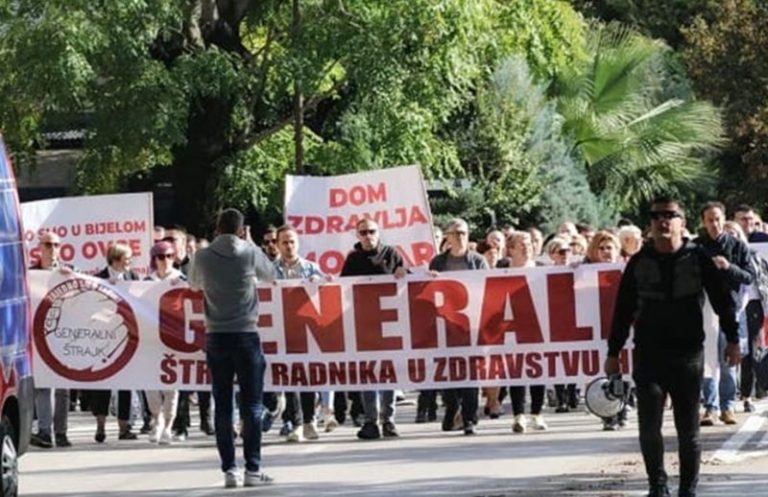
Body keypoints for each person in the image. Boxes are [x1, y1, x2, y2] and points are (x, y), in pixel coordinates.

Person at [605, 196, 740, 497]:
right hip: (648, 354)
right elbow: (623, 311)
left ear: (682, 222)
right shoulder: (639, 262)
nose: (663, 221)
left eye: (670, 215)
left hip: (687, 355)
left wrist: (733, 340)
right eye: (656, 217)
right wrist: (613, 352)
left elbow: (723, 301)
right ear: (650, 224)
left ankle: (687, 490)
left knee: (688, 429)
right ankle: (657, 486)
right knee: (649, 426)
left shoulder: (698, 258)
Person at [189, 208, 275, 488]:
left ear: (217, 228)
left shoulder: (202, 256)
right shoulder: (249, 252)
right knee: (252, 404)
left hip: (216, 335)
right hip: (246, 333)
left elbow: (193, 285)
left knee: (223, 405)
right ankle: (253, 468)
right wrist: (251, 244)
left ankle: (229, 470)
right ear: (241, 230)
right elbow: (271, 274)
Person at [340, 218, 408, 440]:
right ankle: (371, 420)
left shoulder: (392, 254)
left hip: (390, 322)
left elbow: (408, 281)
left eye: (372, 231)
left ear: (378, 232)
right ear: (357, 235)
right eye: (363, 232)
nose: (368, 236)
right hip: (363, 322)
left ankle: (388, 420)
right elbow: (341, 288)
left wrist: (404, 273)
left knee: (389, 372)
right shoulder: (353, 259)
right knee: (368, 373)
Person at [273, 225, 336, 442]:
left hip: (307, 331)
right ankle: (297, 423)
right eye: (284, 242)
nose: (289, 246)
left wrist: (325, 283)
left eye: (292, 241)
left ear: (298, 243)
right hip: (282, 330)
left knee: (307, 376)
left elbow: (327, 294)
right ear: (277, 245)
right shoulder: (270, 271)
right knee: (290, 379)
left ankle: (309, 421)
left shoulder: (311, 268)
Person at [695, 202, 754, 427]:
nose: (714, 224)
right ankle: (710, 407)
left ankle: (728, 405)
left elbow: (748, 276)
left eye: (718, 219)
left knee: (729, 358)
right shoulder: (696, 247)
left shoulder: (737, 246)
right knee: (708, 359)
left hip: (731, 308)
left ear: (724, 218)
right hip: (704, 310)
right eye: (710, 220)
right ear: (703, 222)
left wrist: (728, 266)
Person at [429, 218, 489, 435]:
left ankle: (469, 418)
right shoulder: (438, 262)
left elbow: (487, 288)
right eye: (456, 233)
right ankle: (453, 408)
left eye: (463, 232)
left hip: (471, 326)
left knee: (471, 374)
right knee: (450, 373)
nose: (461, 237)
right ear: (448, 237)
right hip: (446, 326)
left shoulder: (478, 261)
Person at [91, 243, 140, 443]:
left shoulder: (133, 277)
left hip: (127, 336)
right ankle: (100, 426)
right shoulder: (98, 278)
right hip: (103, 337)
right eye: (127, 258)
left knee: (126, 382)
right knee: (102, 382)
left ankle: (123, 427)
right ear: (116, 259)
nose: (130, 261)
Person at [29, 232, 74, 448]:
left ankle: (61, 432)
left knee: (63, 388)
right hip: (39, 334)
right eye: (48, 244)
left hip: (63, 334)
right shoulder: (31, 273)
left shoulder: (69, 271)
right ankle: (45, 431)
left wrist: (71, 276)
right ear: (39, 247)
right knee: (43, 385)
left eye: (56, 245)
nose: (52, 249)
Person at [506, 231, 547, 434]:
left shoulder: (542, 269)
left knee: (538, 369)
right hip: (511, 327)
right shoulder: (501, 271)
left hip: (538, 325)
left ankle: (537, 413)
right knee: (516, 371)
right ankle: (519, 414)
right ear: (511, 249)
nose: (526, 248)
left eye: (529, 244)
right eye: (521, 244)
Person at [144, 241, 184, 445]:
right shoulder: (146, 281)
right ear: (154, 259)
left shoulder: (181, 279)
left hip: (174, 338)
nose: (166, 260)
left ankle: (168, 425)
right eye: (161, 257)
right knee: (150, 382)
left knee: (172, 385)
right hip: (151, 338)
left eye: (170, 256)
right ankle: (156, 419)